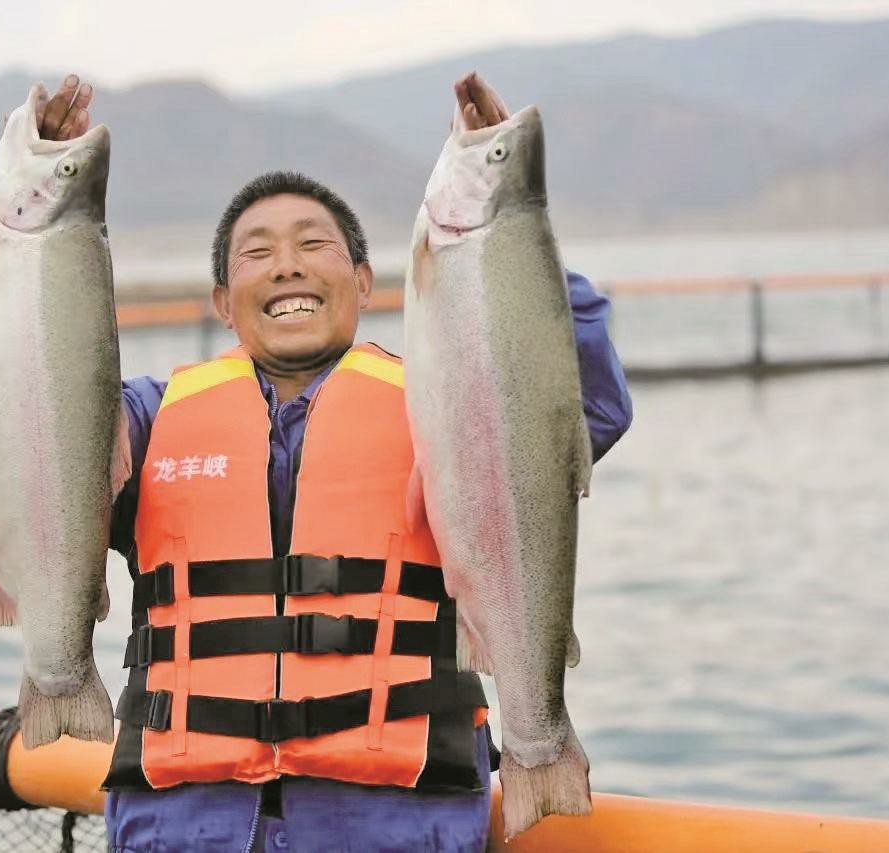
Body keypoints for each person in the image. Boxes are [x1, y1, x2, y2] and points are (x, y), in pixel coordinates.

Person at [36, 72, 632, 853]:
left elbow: (588, 409)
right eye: (258, 252)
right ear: (223, 300)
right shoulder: (144, 420)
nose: (287, 266)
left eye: (314, 245)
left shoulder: (448, 409)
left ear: (363, 281)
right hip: (181, 828)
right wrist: (47, 221)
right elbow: (43, 423)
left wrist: (511, 219)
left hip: (397, 825)